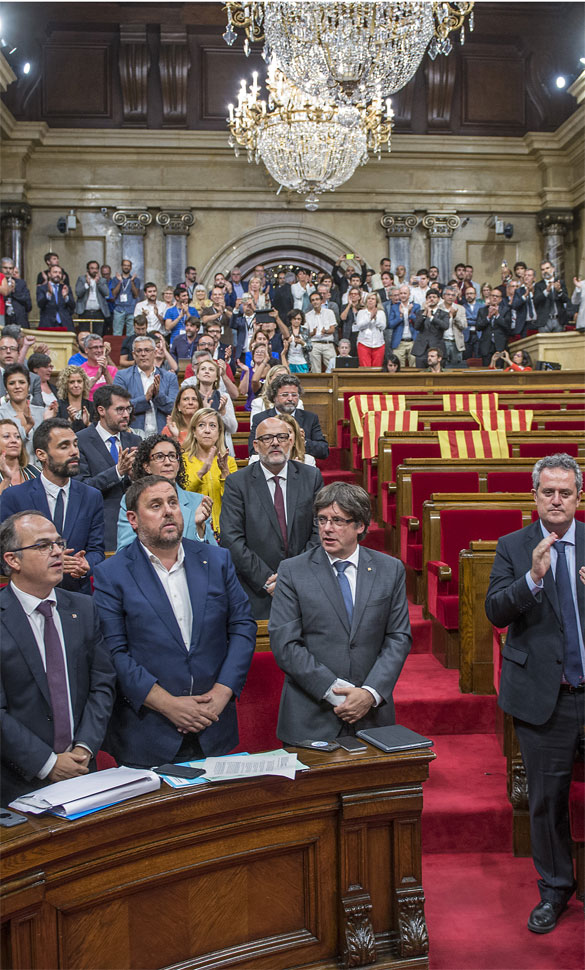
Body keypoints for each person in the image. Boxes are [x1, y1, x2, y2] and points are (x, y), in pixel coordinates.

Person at [92, 475, 256, 769]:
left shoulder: (217, 560)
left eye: (173, 503)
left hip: (213, 722)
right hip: (148, 732)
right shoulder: (112, 573)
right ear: (133, 519)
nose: (168, 511)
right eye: (155, 505)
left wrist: (222, 692)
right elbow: (114, 652)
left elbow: (243, 627)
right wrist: (169, 705)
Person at [485, 454, 584, 934]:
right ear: (535, 496)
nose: (557, 499)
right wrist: (533, 578)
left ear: (578, 496)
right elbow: (496, 612)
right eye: (549, 492)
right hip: (546, 697)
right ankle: (555, 889)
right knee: (547, 800)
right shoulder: (513, 546)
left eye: (566, 492)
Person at [268, 482, 411, 743]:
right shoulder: (292, 571)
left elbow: (398, 637)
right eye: (322, 520)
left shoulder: (390, 570)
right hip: (310, 717)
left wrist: (369, 693)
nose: (327, 529)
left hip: (372, 717)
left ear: (360, 526)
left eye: (337, 520)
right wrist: (338, 693)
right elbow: (285, 644)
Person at [0, 511, 116, 805]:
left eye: (58, 543)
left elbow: (102, 684)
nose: (57, 552)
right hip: (17, 781)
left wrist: (85, 748)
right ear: (13, 560)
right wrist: (47, 763)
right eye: (43, 546)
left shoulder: (84, 609)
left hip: (82, 771)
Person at [220, 415, 323, 620]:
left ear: (291, 442)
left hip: (305, 585)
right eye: (267, 438)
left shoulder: (311, 477)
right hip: (257, 590)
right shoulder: (237, 483)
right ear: (256, 446)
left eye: (282, 437)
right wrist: (268, 580)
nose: (275, 442)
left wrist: (294, 576)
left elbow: (319, 530)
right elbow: (231, 539)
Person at [1, 418, 105, 594]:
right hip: (29, 598)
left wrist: (85, 563)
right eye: (64, 446)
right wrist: (48, 561)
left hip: (77, 597)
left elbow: (97, 550)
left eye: (75, 444)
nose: (74, 452)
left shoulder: (91, 496)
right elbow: (4, 556)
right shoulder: (14, 497)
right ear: (41, 455)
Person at [116, 433, 214, 550]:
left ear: (178, 464)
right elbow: (125, 550)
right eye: (159, 457)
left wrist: (199, 529)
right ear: (147, 466)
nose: (168, 462)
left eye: (172, 456)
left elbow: (213, 555)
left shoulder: (198, 501)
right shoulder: (132, 499)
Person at [76, 385, 142, 552]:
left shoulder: (135, 440)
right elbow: (81, 488)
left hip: (136, 528)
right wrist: (117, 472)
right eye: (119, 409)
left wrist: (135, 477)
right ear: (101, 410)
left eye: (128, 409)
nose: (126, 415)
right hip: (99, 528)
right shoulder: (80, 440)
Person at [183, 407, 237, 537]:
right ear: (194, 432)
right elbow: (183, 496)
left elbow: (234, 500)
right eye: (201, 425)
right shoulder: (183, 460)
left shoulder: (229, 462)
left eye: (212, 426)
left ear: (219, 432)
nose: (207, 430)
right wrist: (202, 471)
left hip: (223, 530)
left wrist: (224, 473)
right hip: (191, 529)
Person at [249, 373, 329, 460]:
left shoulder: (310, 418)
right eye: (285, 395)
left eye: (294, 395)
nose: (290, 399)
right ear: (274, 397)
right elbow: (253, 450)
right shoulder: (261, 418)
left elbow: (324, 451)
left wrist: (302, 442)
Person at [113, 335, 179, 434]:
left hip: (163, 434)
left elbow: (174, 409)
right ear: (134, 355)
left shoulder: (169, 377)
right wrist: (146, 398)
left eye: (147, 350)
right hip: (132, 434)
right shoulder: (122, 376)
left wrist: (157, 396)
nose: (143, 354)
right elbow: (118, 408)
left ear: (155, 352)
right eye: (139, 351)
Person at [0, 364, 55, 456]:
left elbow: (47, 446)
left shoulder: (42, 412)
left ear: (29, 386)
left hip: (39, 468)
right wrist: (28, 426)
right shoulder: (1, 414)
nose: (17, 386)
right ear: (6, 388)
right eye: (12, 383)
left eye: (22, 382)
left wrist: (48, 423)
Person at [248, 412, 316, 467]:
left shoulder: (308, 461)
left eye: (288, 432)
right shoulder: (255, 460)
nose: (276, 441)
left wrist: (302, 473)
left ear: (293, 438)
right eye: (278, 434)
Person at [0, 418, 39, 492]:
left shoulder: (35, 471)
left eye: (17, 437)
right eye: (6, 436)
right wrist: (7, 480)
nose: (14, 440)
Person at [412, 291, 449, 368]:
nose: (432, 299)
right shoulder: (420, 312)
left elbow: (445, 326)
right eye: (429, 297)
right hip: (421, 350)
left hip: (437, 349)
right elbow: (416, 326)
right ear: (426, 299)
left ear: (438, 299)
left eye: (434, 297)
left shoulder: (444, 314)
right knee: (420, 376)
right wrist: (425, 312)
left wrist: (432, 318)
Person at [74, 261, 111, 335]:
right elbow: (78, 293)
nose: (95, 270)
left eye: (96, 268)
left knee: (98, 335)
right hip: (85, 312)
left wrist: (98, 283)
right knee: (85, 335)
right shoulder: (81, 279)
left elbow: (107, 293)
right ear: (88, 269)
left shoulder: (102, 280)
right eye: (92, 268)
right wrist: (87, 284)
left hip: (98, 312)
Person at [477, 290, 511, 366]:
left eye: (497, 296)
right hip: (486, 346)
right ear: (489, 297)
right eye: (493, 296)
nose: (495, 298)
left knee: (499, 369)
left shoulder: (506, 310)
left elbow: (507, 326)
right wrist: (488, 317)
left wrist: (497, 315)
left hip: (499, 347)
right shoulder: (482, 310)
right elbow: (478, 327)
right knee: (486, 370)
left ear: (500, 299)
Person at [56, 365, 95, 432]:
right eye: (72, 382)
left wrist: (88, 423)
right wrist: (69, 421)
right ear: (65, 384)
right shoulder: (58, 406)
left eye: (79, 381)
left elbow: (99, 433)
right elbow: (55, 432)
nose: (76, 385)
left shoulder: (91, 406)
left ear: (84, 383)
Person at [534, 260, 570, 332]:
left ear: (553, 269)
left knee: (558, 343)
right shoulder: (538, 285)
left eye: (547, 268)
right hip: (544, 322)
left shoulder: (560, 282)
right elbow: (536, 301)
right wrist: (546, 291)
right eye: (542, 269)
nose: (545, 271)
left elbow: (566, 300)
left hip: (559, 320)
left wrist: (559, 291)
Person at [305, 291, 337, 373]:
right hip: (314, 344)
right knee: (315, 370)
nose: (315, 302)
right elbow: (306, 334)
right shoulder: (307, 315)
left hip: (328, 343)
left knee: (335, 367)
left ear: (321, 301)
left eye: (317, 299)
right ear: (311, 302)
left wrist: (325, 331)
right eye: (313, 300)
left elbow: (333, 329)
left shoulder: (329, 312)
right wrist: (313, 333)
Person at [353, 292, 387, 367]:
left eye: (373, 299)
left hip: (379, 344)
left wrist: (375, 318)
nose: (370, 300)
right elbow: (360, 326)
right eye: (369, 298)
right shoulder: (361, 312)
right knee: (365, 368)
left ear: (376, 302)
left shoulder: (381, 312)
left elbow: (383, 326)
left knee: (377, 368)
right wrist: (370, 317)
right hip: (364, 343)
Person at [36, 265, 75, 331]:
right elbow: (40, 304)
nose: (58, 274)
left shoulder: (66, 288)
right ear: (49, 274)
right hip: (48, 324)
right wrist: (48, 294)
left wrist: (66, 297)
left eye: (60, 273)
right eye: (55, 272)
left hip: (65, 323)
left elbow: (73, 306)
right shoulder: (42, 288)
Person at [80, 334, 117, 401]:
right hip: (89, 405)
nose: (99, 350)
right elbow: (80, 394)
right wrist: (96, 378)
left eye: (101, 347)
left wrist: (106, 373)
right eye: (95, 347)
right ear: (86, 350)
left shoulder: (112, 369)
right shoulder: (81, 370)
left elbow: (117, 392)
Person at [110, 259, 141, 336]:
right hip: (119, 309)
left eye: (128, 265)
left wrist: (132, 282)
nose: (126, 267)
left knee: (131, 334)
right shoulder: (115, 279)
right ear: (121, 266)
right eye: (125, 265)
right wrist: (120, 282)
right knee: (117, 333)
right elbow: (114, 294)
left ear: (131, 267)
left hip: (131, 309)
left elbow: (136, 294)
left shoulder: (136, 280)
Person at [1, 256, 32, 327]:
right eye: (5, 268)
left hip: (19, 321)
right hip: (3, 320)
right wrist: (7, 290)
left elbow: (28, 305)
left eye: (10, 268)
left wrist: (14, 291)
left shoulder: (21, 283)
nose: (8, 270)